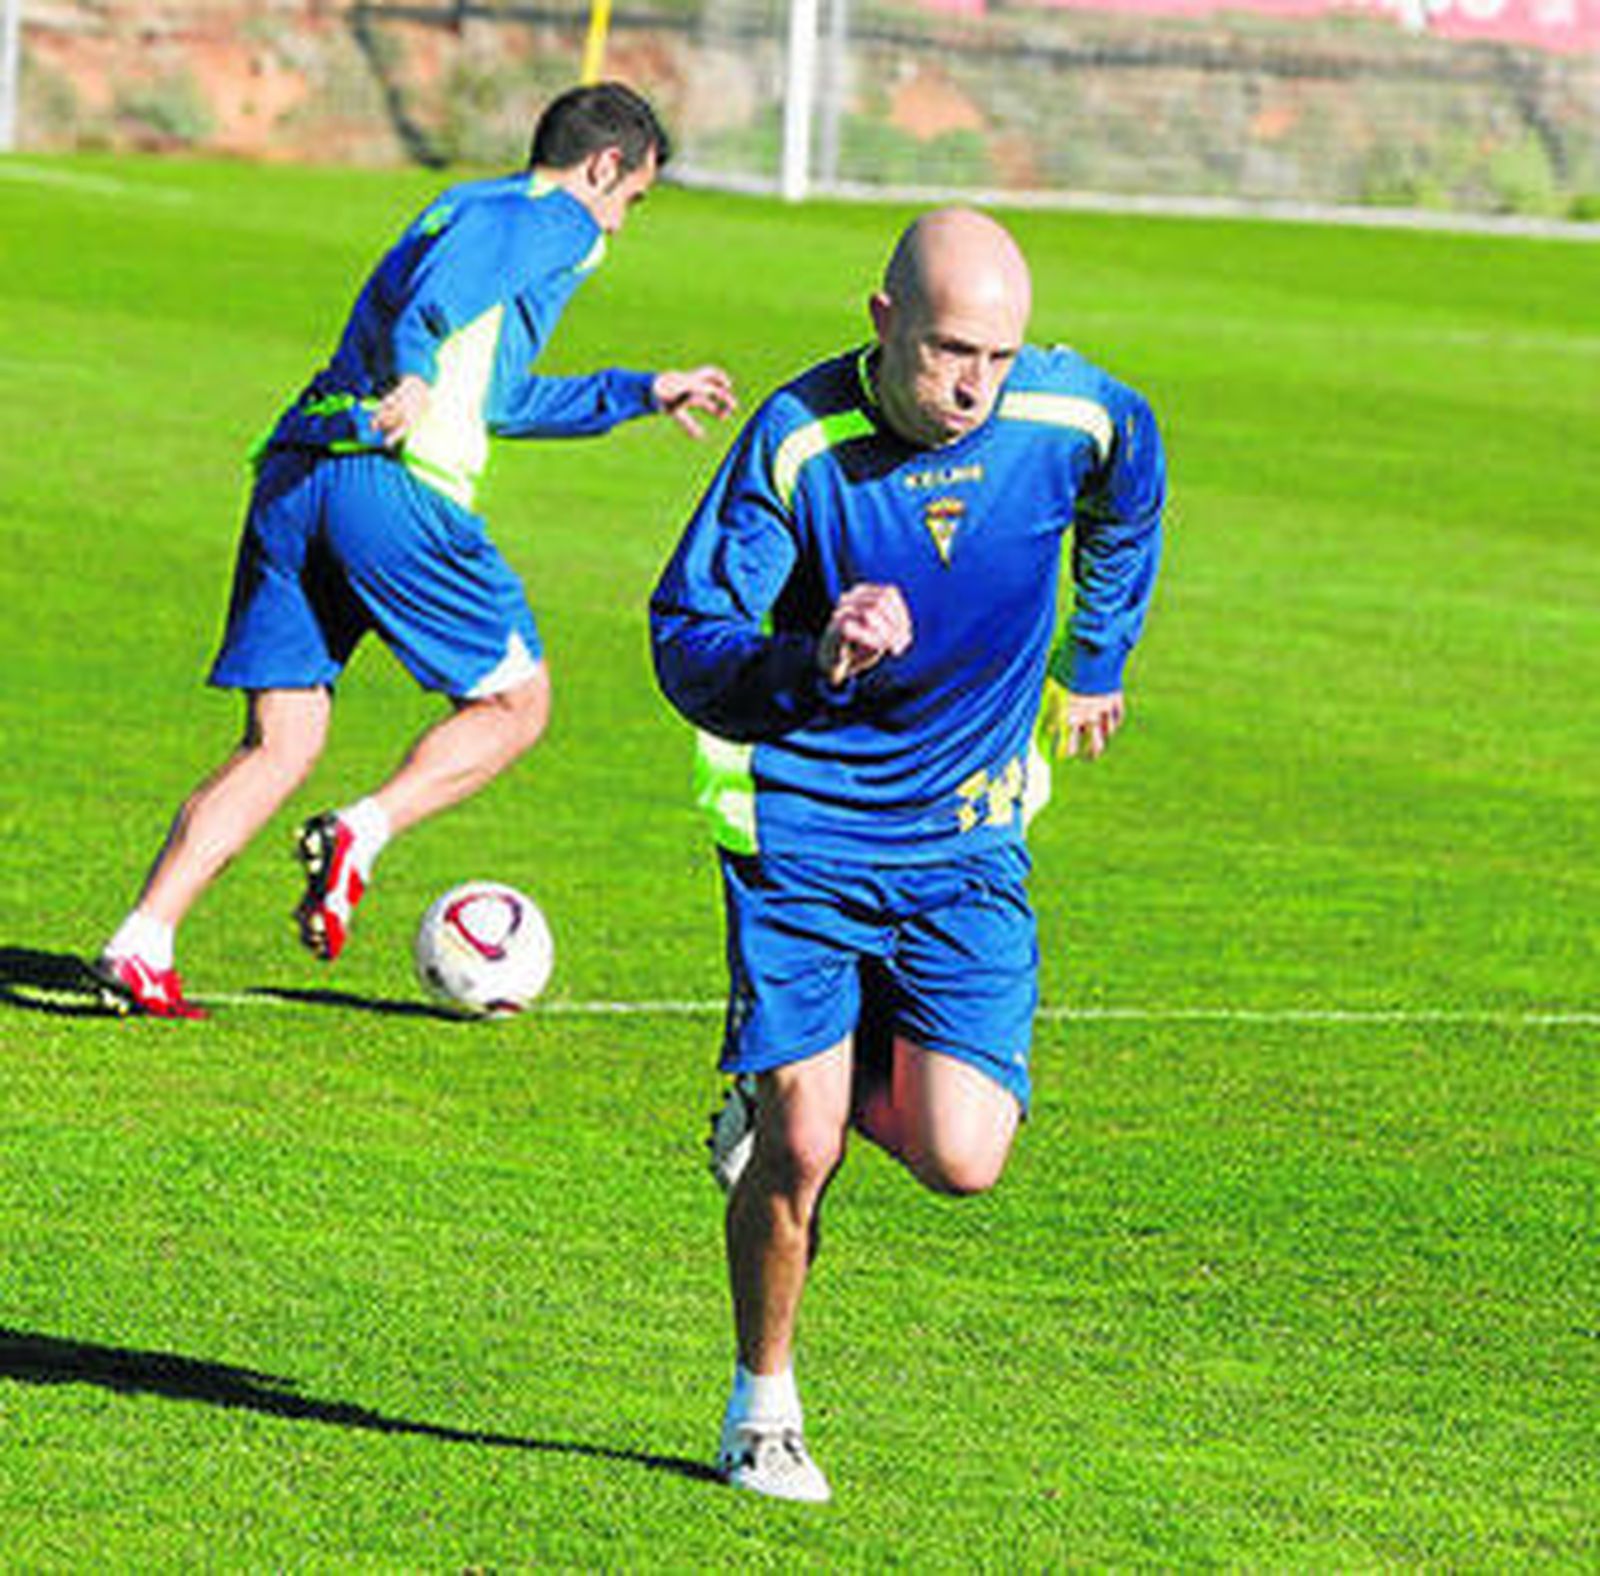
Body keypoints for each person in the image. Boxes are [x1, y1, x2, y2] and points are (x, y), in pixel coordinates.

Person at [649, 207, 1165, 1502]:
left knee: (964, 1159)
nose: (972, 384)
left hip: (969, 842)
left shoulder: (1070, 417)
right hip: (809, 832)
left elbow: (1133, 481)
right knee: (806, 1149)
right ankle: (761, 1406)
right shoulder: (797, 441)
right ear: (881, 322)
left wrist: (1094, 655)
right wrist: (811, 658)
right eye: (946, 352)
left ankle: (789, 1086)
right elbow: (686, 639)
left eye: (996, 354)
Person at [92, 82, 736, 1019]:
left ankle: (141, 940)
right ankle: (363, 830)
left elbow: (504, 400)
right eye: (631, 198)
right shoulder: (555, 220)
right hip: (393, 490)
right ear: (605, 167)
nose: (622, 224)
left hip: (296, 468)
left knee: (283, 740)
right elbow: (435, 312)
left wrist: (643, 390)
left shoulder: (457, 204)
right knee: (517, 704)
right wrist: (416, 376)